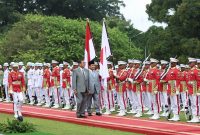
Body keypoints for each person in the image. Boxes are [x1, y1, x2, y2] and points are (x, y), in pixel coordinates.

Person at [186, 58, 199, 123]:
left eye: (190, 63)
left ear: (194, 63)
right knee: (193, 104)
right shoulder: (190, 71)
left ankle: (196, 117)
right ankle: (194, 116)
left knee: (196, 104)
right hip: (190, 89)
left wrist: (198, 90)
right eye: (189, 63)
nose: (189, 64)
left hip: (195, 89)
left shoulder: (196, 71)